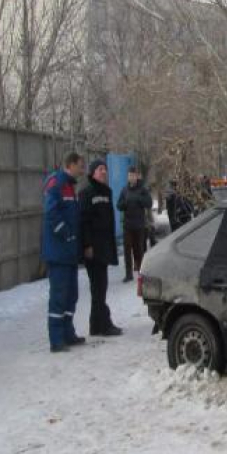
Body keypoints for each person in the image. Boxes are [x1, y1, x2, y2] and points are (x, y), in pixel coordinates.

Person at [41, 151, 87, 353]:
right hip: (58, 253)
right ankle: (56, 339)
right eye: (80, 166)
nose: (82, 170)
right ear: (70, 165)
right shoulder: (56, 183)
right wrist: (66, 234)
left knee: (71, 296)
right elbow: (51, 214)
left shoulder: (70, 186)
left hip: (69, 253)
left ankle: (68, 333)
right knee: (59, 297)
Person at [79, 159, 122, 337]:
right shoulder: (86, 192)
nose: (104, 172)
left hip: (104, 246)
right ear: (93, 173)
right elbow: (83, 221)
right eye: (100, 169)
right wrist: (87, 245)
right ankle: (103, 324)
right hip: (93, 248)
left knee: (100, 287)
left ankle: (96, 325)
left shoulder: (107, 191)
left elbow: (109, 221)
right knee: (98, 287)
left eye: (105, 169)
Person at [117, 166, 152, 282]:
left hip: (139, 225)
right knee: (127, 250)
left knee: (139, 249)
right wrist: (125, 203)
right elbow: (119, 205)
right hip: (127, 225)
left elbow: (149, 203)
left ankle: (142, 272)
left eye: (133, 175)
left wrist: (139, 199)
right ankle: (128, 274)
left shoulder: (142, 189)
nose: (131, 178)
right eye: (129, 176)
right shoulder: (124, 190)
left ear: (137, 176)